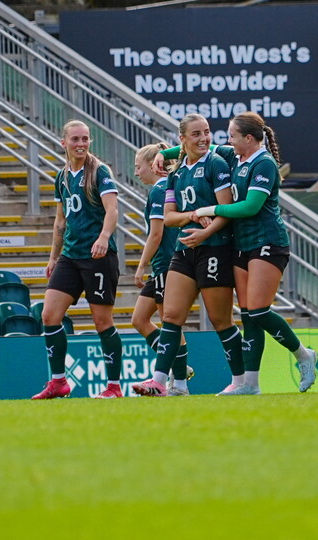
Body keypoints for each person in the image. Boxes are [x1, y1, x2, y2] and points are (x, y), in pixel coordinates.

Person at [188, 112, 317, 394]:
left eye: (232, 136)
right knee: (248, 315)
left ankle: (304, 356)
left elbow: (249, 207)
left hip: (268, 242)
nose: (227, 141)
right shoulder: (236, 156)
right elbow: (199, 147)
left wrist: (207, 210)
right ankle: (251, 385)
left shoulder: (264, 163)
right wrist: (165, 154)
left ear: (248, 138)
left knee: (258, 311)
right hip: (241, 244)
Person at [131, 114, 244, 397]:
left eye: (206, 132)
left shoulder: (217, 164)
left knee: (221, 320)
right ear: (182, 139)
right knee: (171, 315)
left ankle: (243, 381)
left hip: (214, 248)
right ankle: (160, 382)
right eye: (196, 134)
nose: (204, 138)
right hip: (184, 250)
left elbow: (226, 210)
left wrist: (204, 232)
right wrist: (194, 216)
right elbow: (168, 219)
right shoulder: (176, 173)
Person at [31, 120, 125, 400]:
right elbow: (60, 221)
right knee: (49, 315)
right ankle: (59, 382)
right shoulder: (61, 177)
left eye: (85, 139)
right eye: (75, 139)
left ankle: (113, 387)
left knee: (101, 321)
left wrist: (104, 237)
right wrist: (53, 257)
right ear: (64, 143)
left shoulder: (99, 171)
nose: (81, 144)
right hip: (70, 257)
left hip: (97, 256)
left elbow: (113, 210)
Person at [131, 142, 192, 396]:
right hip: (162, 266)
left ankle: (179, 383)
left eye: (138, 166)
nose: (136, 172)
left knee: (170, 323)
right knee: (139, 320)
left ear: (152, 166)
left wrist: (141, 265)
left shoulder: (159, 190)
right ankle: (180, 367)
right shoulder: (164, 188)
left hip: (167, 264)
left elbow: (156, 235)